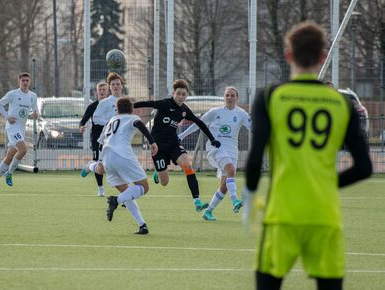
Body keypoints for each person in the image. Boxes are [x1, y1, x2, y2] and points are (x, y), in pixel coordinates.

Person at [242, 21, 372, 290]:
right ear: (323, 57)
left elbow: (255, 159)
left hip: (282, 214)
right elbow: (364, 167)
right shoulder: (342, 103)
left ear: (289, 55)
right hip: (324, 215)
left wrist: (251, 194)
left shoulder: (270, 97)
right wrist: (326, 184)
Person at [134, 79, 221, 212]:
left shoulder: (184, 110)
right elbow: (147, 103)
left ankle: (197, 200)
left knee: (188, 166)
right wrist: (127, 108)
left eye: (183, 94)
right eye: (178, 93)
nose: (181, 97)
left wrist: (212, 139)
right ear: (173, 93)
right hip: (158, 146)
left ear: (186, 95)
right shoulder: (164, 103)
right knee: (164, 182)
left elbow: (199, 123)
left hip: (174, 144)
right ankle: (159, 171)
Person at [81, 97, 158, 235]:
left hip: (107, 156)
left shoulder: (111, 120)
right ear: (131, 109)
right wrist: (153, 142)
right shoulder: (131, 117)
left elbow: (100, 142)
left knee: (126, 193)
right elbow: (140, 125)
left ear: (117, 109)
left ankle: (142, 225)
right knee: (144, 187)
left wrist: (101, 160)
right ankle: (115, 200)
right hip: (123, 155)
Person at [178, 86, 251, 221]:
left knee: (224, 185)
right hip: (216, 148)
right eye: (227, 95)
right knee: (231, 169)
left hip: (232, 150)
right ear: (224, 97)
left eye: (232, 95)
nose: (229, 97)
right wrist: (181, 135)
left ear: (237, 98)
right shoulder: (214, 112)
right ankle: (235, 201)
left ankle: (208, 212)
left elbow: (253, 127)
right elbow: (197, 124)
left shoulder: (241, 114)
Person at [0, 72, 39, 191]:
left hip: (21, 127)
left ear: (30, 82)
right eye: (23, 81)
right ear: (19, 82)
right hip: (12, 127)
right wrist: (7, 117)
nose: (25, 82)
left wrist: (36, 114)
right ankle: (9, 173)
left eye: (27, 80)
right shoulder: (13, 94)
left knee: (10, 155)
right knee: (23, 149)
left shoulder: (33, 96)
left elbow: (35, 112)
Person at [81, 72, 124, 180]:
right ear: (110, 87)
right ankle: (91, 166)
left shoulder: (125, 101)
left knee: (120, 164)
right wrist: (109, 123)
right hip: (106, 138)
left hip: (120, 138)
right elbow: (96, 118)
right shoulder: (105, 102)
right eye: (113, 84)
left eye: (118, 84)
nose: (115, 86)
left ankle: (126, 192)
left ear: (122, 85)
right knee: (101, 168)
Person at [79, 81, 110, 197]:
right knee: (98, 163)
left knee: (109, 163)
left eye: (104, 90)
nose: (102, 92)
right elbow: (84, 119)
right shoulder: (93, 106)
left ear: (108, 92)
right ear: (97, 92)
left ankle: (89, 165)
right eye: (100, 90)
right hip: (97, 138)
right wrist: (81, 126)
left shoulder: (112, 105)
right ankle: (101, 188)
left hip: (110, 139)